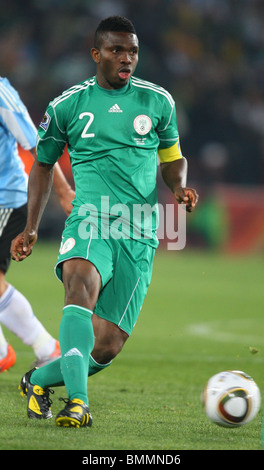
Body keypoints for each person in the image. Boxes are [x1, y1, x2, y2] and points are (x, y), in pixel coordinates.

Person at [11, 16, 198, 428]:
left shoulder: (158, 102)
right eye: (116, 50)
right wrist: (31, 226)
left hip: (139, 231)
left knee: (107, 345)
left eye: (132, 51)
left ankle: (38, 379)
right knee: (79, 287)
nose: (126, 58)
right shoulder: (68, 105)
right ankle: (79, 404)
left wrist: (179, 187)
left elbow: (172, 159)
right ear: (97, 54)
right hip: (90, 220)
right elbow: (42, 165)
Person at [0, 76, 75, 371]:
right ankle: (44, 348)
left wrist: (63, 190)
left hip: (5, 199)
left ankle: (35, 348)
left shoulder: (1, 93)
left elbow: (36, 143)